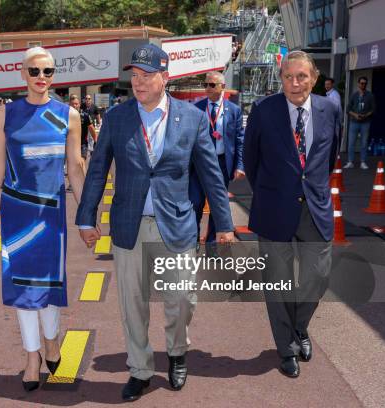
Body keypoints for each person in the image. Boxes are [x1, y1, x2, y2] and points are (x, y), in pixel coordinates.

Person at [76, 44, 234, 402]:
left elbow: (211, 175)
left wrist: (223, 223)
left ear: (166, 77)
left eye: (147, 75)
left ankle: (177, 352)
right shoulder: (117, 118)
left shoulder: (191, 118)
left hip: (176, 224)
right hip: (130, 225)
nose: (139, 82)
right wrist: (87, 217)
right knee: (132, 304)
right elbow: (97, 170)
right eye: (135, 75)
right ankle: (140, 369)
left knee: (182, 298)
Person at [0, 47, 85, 392]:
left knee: (50, 286)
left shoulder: (68, 115)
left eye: (49, 71)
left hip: (51, 214)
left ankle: (52, 342)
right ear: (23, 74)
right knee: (22, 288)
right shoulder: (4, 114)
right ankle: (31, 356)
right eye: (35, 71)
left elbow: (75, 167)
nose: (42, 78)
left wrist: (86, 216)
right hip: (16, 212)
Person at [244, 50, 340, 378]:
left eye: (302, 76)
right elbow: (251, 160)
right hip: (274, 209)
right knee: (278, 284)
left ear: (314, 79)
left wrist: (310, 190)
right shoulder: (263, 110)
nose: (295, 83)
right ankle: (286, 348)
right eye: (288, 76)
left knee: (318, 275)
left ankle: (300, 327)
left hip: (315, 209)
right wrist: (274, 193)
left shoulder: (330, 109)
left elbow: (329, 158)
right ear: (281, 78)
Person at [190, 71, 244, 257]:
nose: (207, 88)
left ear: (222, 87)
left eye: (212, 85)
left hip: (221, 163)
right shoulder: (197, 108)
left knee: (217, 206)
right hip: (198, 164)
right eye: (206, 85)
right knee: (195, 202)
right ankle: (193, 242)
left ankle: (213, 246)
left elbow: (239, 139)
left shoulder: (234, 110)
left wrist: (240, 165)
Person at [344, 76, 375, 169]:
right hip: (354, 121)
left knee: (364, 143)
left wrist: (366, 115)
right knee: (351, 142)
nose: (363, 85)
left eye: (365, 83)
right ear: (358, 84)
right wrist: (355, 115)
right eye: (361, 83)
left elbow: (373, 109)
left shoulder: (370, 95)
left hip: (365, 122)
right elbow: (348, 109)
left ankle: (363, 162)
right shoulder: (354, 95)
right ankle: (350, 161)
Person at [68, 94, 97, 165]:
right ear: (69, 105)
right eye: (72, 104)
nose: (74, 106)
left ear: (79, 105)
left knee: (81, 163)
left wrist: (96, 141)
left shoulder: (85, 116)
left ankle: (83, 175)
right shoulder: (65, 116)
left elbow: (92, 129)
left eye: (76, 104)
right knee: (73, 165)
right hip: (70, 145)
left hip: (82, 144)